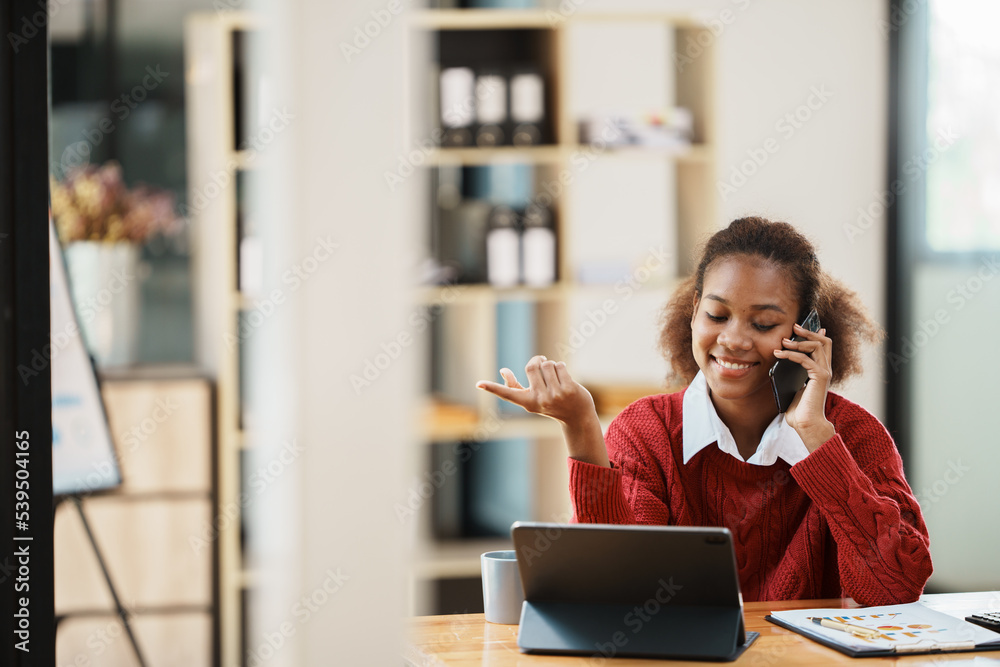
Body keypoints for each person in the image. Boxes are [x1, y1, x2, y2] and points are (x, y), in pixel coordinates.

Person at [476, 216, 932, 606]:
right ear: (694, 312)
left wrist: (816, 438)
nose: (733, 339)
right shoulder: (647, 431)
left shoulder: (851, 436)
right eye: (717, 315)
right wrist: (581, 428)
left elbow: (895, 587)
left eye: (764, 323)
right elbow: (616, 594)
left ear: (808, 332)